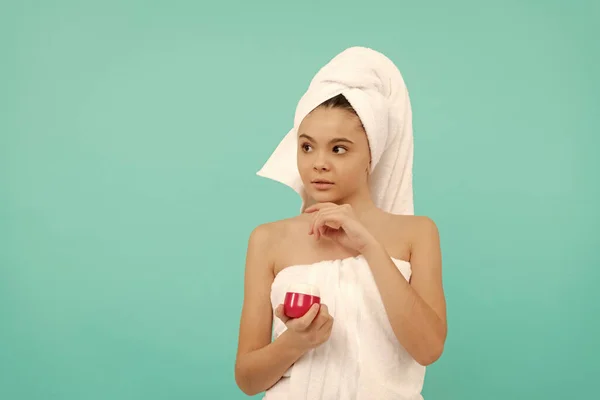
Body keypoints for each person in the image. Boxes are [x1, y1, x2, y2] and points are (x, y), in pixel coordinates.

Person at [234, 47, 447, 400]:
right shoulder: (267, 240)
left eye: (339, 149)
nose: (319, 163)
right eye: (306, 147)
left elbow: (428, 349)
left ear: (371, 154)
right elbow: (247, 379)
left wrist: (369, 246)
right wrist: (295, 342)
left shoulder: (416, 233)